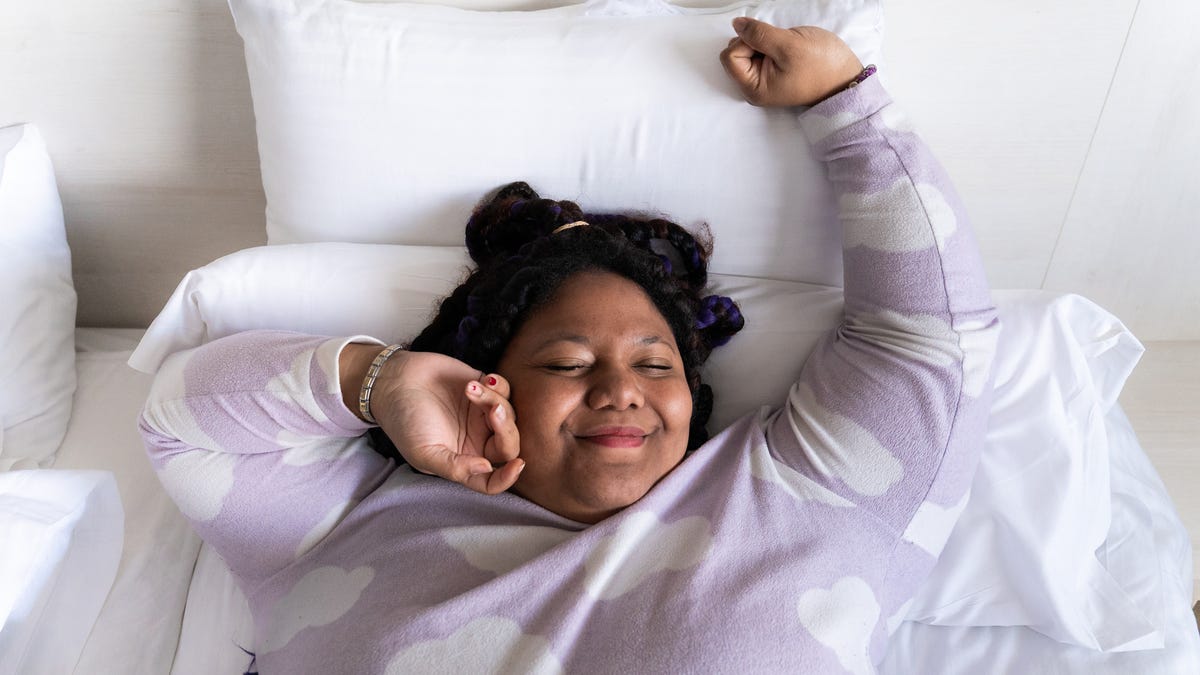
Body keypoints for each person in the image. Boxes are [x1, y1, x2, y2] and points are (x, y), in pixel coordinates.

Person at [141, 17, 999, 674]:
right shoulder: (342, 524)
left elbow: (930, 337)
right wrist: (382, 379)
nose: (621, 388)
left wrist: (847, 107)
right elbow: (184, 423)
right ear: (489, 384)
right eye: (567, 363)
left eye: (654, 362)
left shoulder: (813, 494)